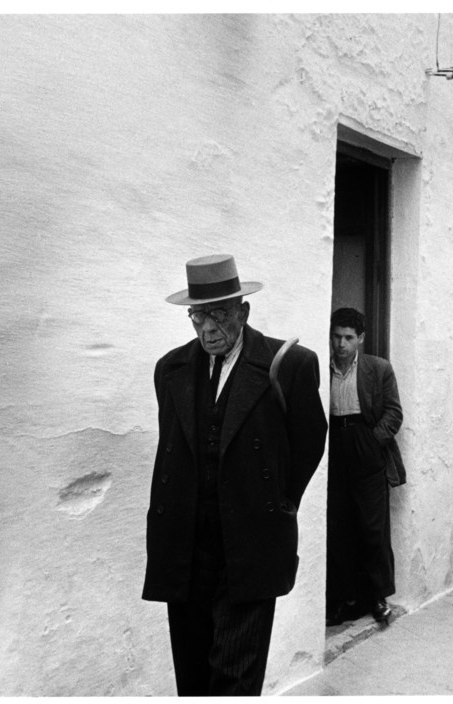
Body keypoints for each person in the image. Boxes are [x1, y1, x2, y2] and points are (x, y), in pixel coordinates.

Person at [143, 254, 328, 695]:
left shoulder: (289, 365)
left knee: (235, 679)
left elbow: (309, 443)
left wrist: (277, 504)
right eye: (198, 316)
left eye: (220, 315)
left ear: (243, 312)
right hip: (186, 548)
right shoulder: (170, 369)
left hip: (249, 544)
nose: (208, 328)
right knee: (192, 676)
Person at [325, 307, 406, 627]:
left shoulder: (378, 368)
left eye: (348, 337)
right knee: (340, 527)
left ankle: (377, 596)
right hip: (335, 446)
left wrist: (373, 442)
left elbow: (394, 413)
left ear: (360, 338)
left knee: (373, 528)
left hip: (366, 444)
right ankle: (347, 599)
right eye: (336, 337)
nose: (341, 344)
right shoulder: (324, 367)